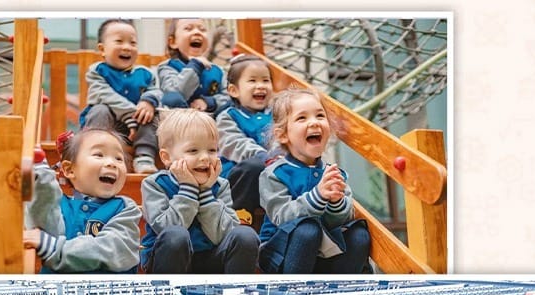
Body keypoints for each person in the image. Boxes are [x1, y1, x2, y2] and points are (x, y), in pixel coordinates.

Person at [258, 88, 370, 273]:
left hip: (323, 256)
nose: (314, 123)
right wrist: (317, 197)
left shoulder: (333, 173)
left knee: (359, 234)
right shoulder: (274, 174)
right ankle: (291, 292)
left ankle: (339, 291)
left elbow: (342, 219)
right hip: (281, 254)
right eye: (302, 118)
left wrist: (336, 202)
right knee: (308, 230)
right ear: (282, 135)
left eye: (320, 115)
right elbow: (281, 216)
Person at [140, 108, 259, 273]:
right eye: (193, 151)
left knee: (245, 235)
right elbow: (166, 228)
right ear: (167, 157)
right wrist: (188, 189)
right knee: (176, 235)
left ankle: (234, 294)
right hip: (168, 258)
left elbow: (223, 235)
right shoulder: (155, 184)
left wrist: (205, 192)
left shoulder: (220, 185)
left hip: (211, 259)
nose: (205, 158)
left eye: (212, 150)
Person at [24, 128, 142, 273]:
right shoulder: (58, 204)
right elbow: (44, 222)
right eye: (99, 155)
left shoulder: (126, 208)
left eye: (119, 158)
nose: (112, 163)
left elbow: (114, 248)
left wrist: (55, 248)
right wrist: (41, 177)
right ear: (69, 170)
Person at [80, 19, 161, 174]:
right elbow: (104, 95)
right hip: (106, 126)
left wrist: (148, 102)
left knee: (151, 113)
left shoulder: (145, 73)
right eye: (119, 41)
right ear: (102, 49)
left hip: (138, 129)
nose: (127, 47)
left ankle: (144, 156)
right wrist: (131, 116)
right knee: (100, 109)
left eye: (133, 43)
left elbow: (155, 91)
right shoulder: (97, 71)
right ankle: (96, 152)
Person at [215, 54, 274, 213]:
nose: (261, 86)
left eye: (266, 80)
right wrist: (263, 155)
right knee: (254, 166)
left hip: (272, 172)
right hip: (239, 176)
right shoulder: (228, 116)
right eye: (252, 80)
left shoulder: (278, 115)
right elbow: (234, 143)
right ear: (234, 90)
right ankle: (238, 215)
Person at [156, 18, 230, 114]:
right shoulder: (167, 67)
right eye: (188, 28)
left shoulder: (218, 71)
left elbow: (229, 96)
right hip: (178, 122)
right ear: (173, 42)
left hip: (210, 123)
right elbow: (176, 93)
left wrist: (209, 102)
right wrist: (195, 66)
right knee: (172, 98)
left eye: (202, 29)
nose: (197, 32)